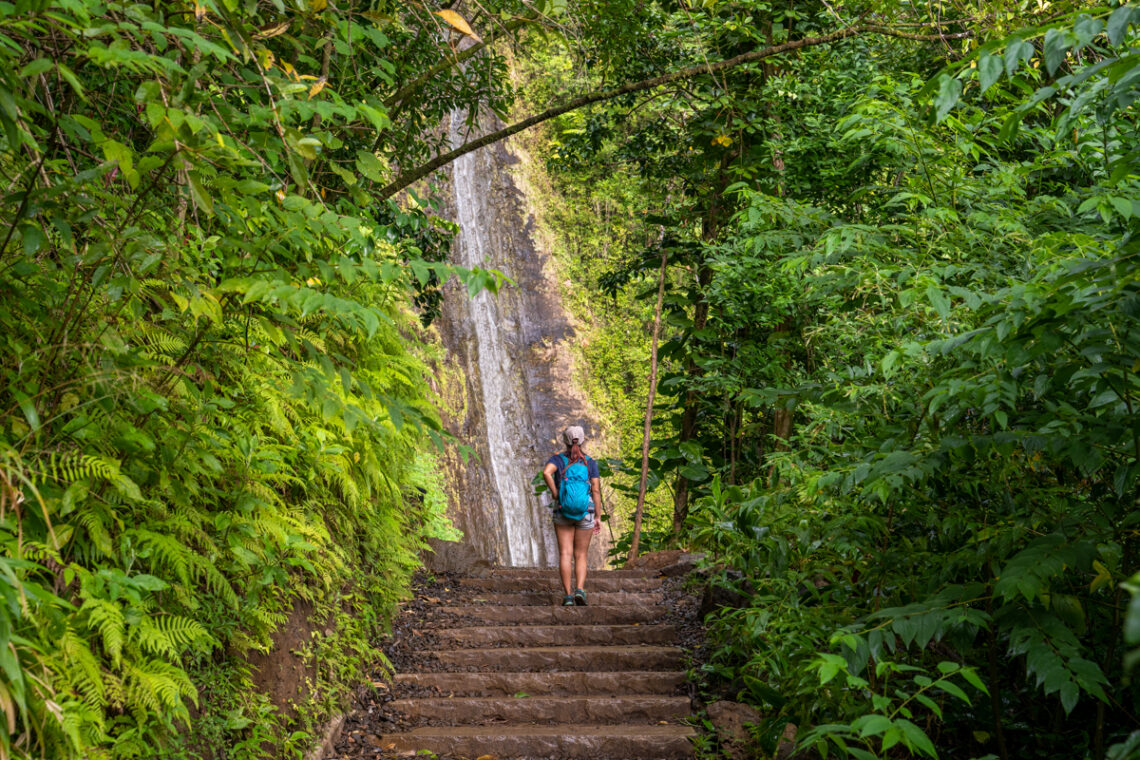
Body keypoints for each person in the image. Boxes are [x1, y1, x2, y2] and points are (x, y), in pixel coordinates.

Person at [542, 425, 602, 606]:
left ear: (565, 441)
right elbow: (596, 490)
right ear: (582, 440)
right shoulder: (589, 462)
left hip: (563, 509)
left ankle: (568, 595)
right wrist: (598, 516)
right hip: (586, 511)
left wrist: (555, 492)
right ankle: (580, 590)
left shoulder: (558, 460)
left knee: (566, 554)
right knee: (581, 555)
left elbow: (546, 472)